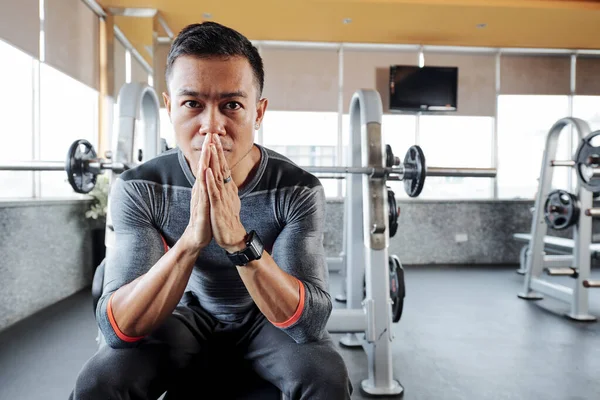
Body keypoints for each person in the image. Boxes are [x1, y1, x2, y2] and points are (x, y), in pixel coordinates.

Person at [70, 21, 353, 400]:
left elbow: (309, 324)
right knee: (98, 381)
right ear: (170, 108)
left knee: (326, 375)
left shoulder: (297, 189)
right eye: (192, 104)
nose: (211, 126)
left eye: (232, 105)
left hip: (264, 321)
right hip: (185, 315)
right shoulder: (141, 187)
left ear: (259, 112)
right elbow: (115, 328)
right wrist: (190, 241)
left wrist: (238, 240)